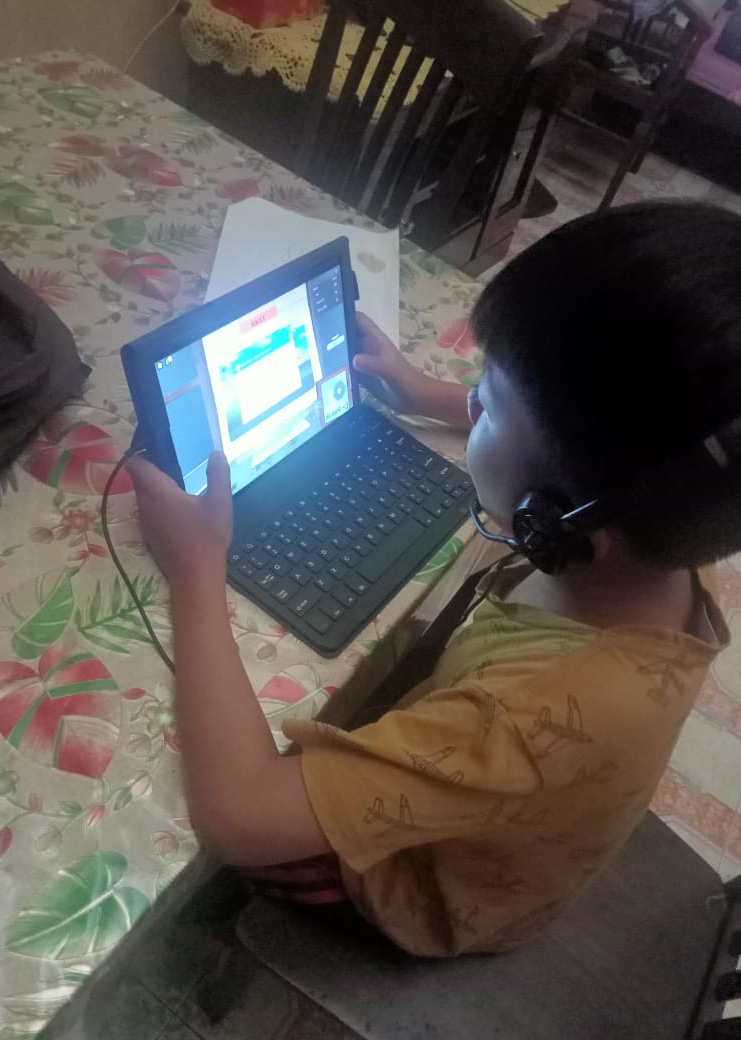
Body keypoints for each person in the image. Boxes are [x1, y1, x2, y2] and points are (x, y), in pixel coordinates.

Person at [129, 201, 739, 957]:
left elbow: (239, 818)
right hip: (518, 811)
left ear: (562, 516)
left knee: (223, 841)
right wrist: (422, 393)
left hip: (429, 892)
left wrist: (196, 575)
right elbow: (608, 448)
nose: (471, 398)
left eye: (492, 403)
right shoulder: (674, 518)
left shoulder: (525, 721)